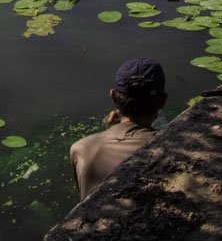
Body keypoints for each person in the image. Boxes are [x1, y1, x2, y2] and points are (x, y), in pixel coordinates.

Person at [69, 58, 167, 200]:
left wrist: (112, 128)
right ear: (163, 100)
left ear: (113, 96)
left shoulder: (80, 149)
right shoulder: (168, 148)